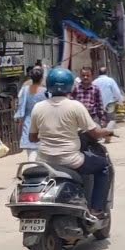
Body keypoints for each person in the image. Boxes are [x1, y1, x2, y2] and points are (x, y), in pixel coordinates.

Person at [29, 68, 116, 216]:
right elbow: (94, 133)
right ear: (70, 86)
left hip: (45, 160)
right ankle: (96, 209)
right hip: (71, 160)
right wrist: (107, 131)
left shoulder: (38, 107)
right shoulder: (75, 106)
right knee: (103, 166)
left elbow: (32, 138)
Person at [14, 66, 49, 161]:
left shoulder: (25, 90)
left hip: (28, 123)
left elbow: (21, 108)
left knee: (31, 153)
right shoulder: (46, 92)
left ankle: (32, 167)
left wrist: (20, 125)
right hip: (44, 123)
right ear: (42, 78)